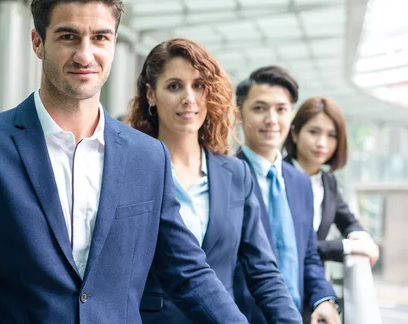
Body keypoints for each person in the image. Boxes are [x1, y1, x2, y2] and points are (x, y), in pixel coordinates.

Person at [0, 0, 249, 323]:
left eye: (100, 38)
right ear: (38, 42)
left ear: (114, 43)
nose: (85, 55)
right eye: (68, 36)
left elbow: (188, 272)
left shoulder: (147, 156)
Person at [128, 38, 302, 324]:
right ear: (151, 94)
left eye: (198, 85)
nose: (189, 98)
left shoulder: (236, 175)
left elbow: (262, 269)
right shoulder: (132, 171)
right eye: (174, 86)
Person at [234, 66, 341, 324]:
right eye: (259, 108)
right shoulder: (225, 177)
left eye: (281, 109)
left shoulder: (300, 182)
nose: (272, 119)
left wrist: (323, 298)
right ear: (238, 114)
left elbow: (308, 254)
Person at [284, 97, 380, 266]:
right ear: (295, 133)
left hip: (312, 285)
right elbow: (289, 244)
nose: (322, 143)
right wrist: (346, 247)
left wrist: (361, 238)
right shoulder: (277, 177)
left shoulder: (328, 182)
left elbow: (348, 221)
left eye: (331, 135)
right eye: (314, 132)